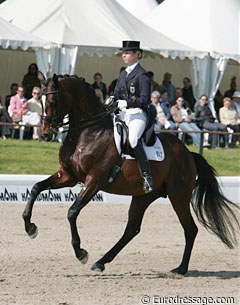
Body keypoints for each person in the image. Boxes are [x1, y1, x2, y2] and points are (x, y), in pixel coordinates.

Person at [113, 40, 153, 193]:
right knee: (112, 138)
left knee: (133, 139)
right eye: (123, 53)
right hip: (123, 113)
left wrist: (127, 103)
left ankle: (147, 175)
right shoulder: (123, 73)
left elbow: (144, 100)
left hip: (138, 113)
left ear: (137, 54)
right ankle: (115, 168)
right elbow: (117, 93)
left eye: (128, 53)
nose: (124, 55)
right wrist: (113, 99)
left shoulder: (142, 75)